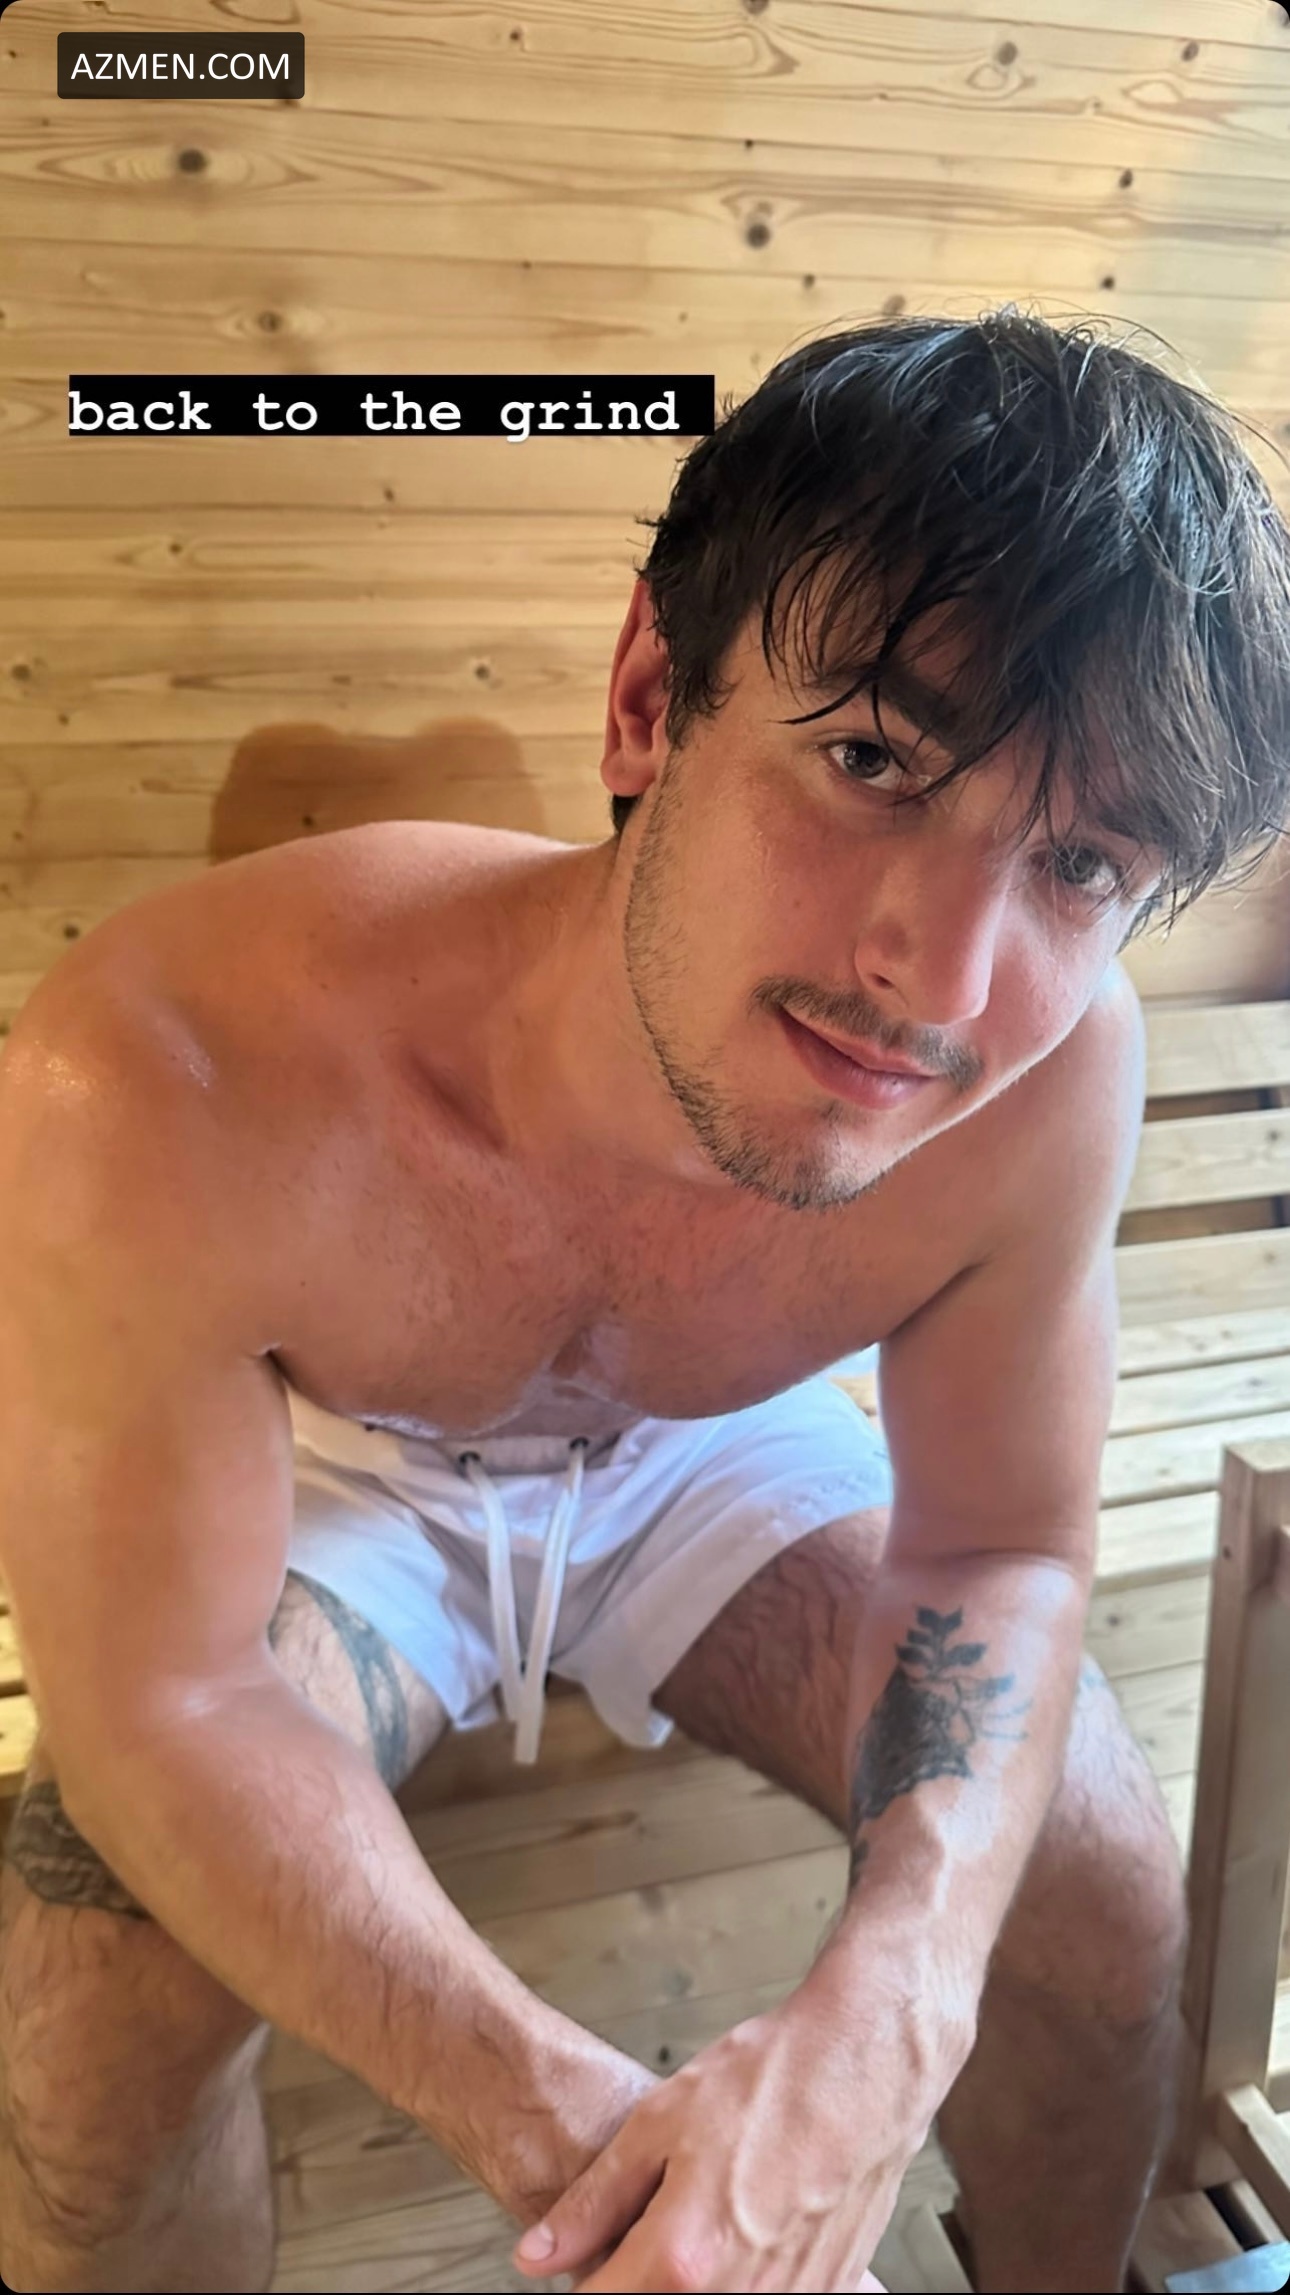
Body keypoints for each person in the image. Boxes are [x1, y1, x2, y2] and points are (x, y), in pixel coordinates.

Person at [1, 310, 1288, 2295]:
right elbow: (164, 1693)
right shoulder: (158, 1067)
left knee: (1099, 1884)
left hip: (716, 1433)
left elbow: (999, 1544)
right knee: (82, 2017)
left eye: (1081, 862)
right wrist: (602, 2163)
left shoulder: (1051, 1076)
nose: (944, 983)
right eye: (870, 759)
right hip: (335, 1459)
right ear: (646, 702)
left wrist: (897, 2008)